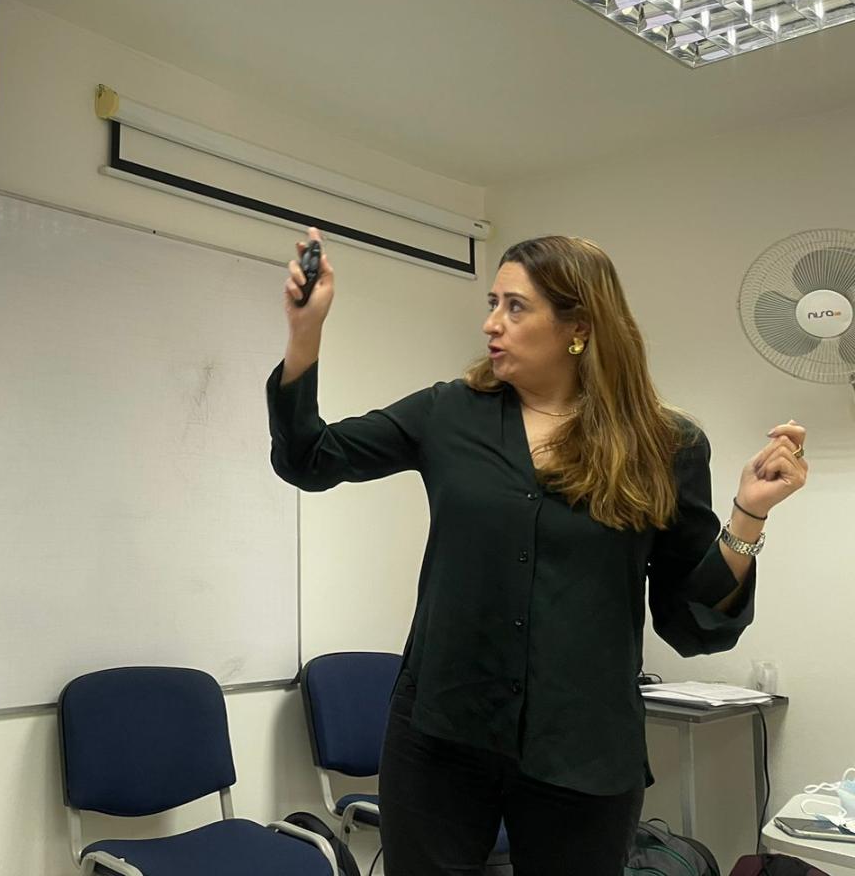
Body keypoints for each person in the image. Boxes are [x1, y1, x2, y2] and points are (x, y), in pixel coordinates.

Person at [267, 229, 809, 876]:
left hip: (583, 747)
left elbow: (691, 621)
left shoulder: (665, 445)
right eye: (493, 303)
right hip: (442, 732)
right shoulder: (449, 413)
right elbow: (310, 459)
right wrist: (305, 332)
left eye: (516, 307)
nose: (492, 323)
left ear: (578, 326)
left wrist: (749, 513)